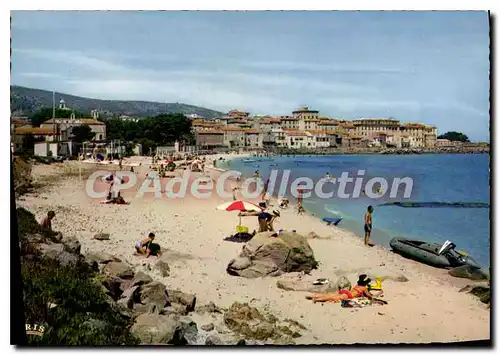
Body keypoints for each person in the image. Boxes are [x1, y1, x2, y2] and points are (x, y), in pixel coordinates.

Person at [307, 274, 376, 303]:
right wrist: (372, 298)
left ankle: (314, 295)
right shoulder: (364, 288)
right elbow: (369, 295)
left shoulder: (357, 285)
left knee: (330, 294)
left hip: (345, 291)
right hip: (348, 295)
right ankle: (316, 299)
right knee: (332, 298)